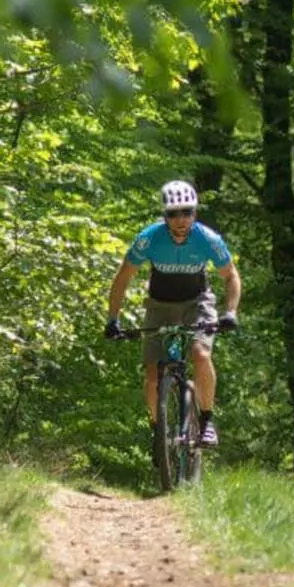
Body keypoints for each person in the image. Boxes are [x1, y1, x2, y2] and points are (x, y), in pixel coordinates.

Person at [105, 180, 240, 448]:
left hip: (197, 302)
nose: (180, 220)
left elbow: (231, 276)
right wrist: (113, 320)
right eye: (173, 214)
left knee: (201, 355)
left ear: (195, 213)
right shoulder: (148, 239)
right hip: (159, 304)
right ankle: (157, 429)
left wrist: (230, 312)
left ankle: (206, 421)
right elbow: (123, 278)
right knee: (153, 373)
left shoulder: (208, 240)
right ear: (164, 215)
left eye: (187, 212)